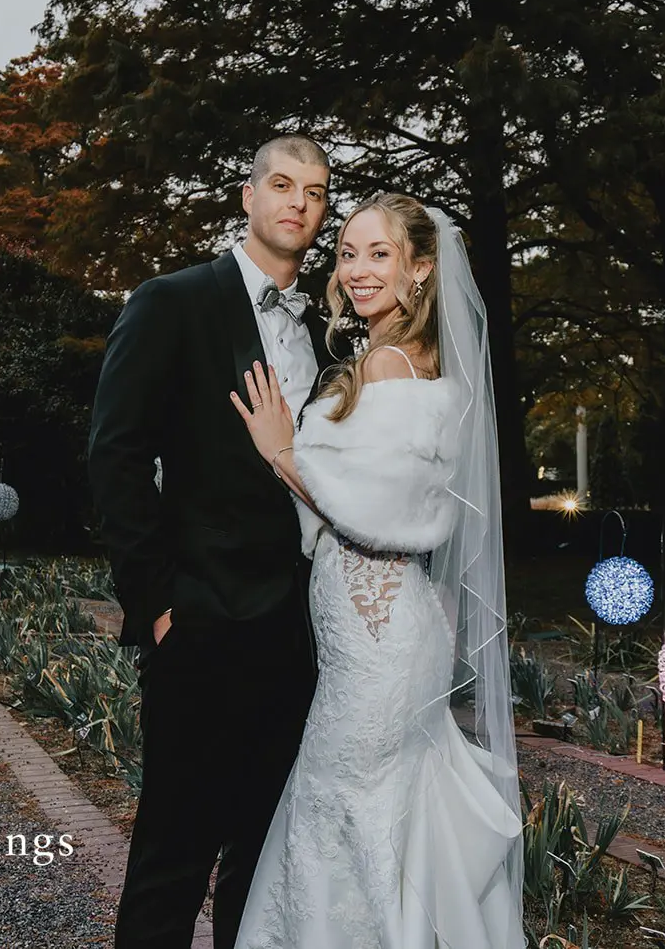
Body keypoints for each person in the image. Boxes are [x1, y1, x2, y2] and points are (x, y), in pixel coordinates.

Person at [228, 193, 525, 949]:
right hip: (388, 622)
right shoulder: (409, 360)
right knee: (373, 802)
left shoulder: (391, 364)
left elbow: (367, 505)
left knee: (343, 800)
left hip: (377, 632)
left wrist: (278, 449)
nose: (357, 270)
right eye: (349, 252)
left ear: (421, 269)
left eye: (380, 254)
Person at [88, 134, 336, 949]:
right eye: (282, 184)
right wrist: (158, 604)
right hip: (201, 625)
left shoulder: (335, 331)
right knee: (173, 860)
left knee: (266, 866)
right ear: (247, 196)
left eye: (316, 191)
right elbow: (116, 454)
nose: (299, 202)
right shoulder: (174, 301)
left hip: (306, 638)